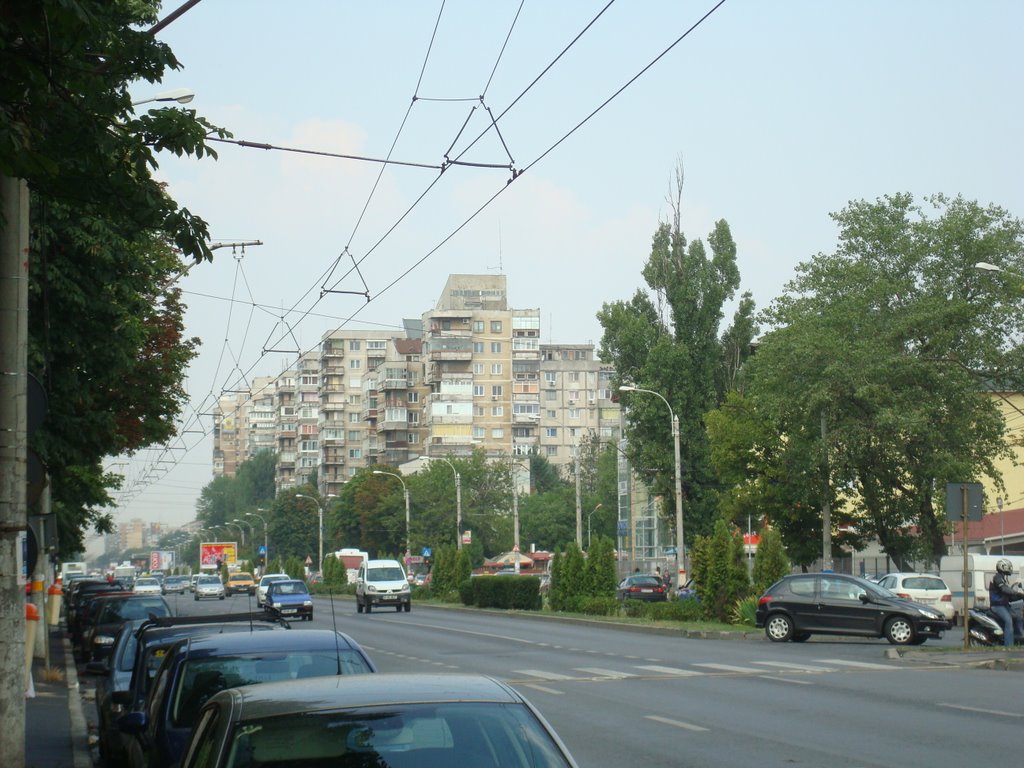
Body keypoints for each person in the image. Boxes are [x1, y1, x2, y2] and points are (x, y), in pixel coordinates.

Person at [988, 558, 1023, 647]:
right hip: (997, 606)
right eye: (1009, 567)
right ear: (1003, 567)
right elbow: (1004, 589)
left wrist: (1019, 596)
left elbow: (1008, 595)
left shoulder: (1003, 578)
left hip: (1005, 606)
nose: (1010, 568)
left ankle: (1019, 639)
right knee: (1009, 621)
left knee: (1019, 617)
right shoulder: (997, 578)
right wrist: (1016, 592)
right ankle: (1009, 646)